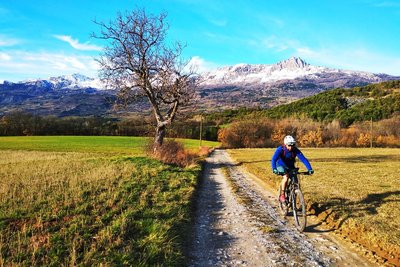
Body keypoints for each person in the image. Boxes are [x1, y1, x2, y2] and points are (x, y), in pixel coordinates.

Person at [271, 135, 314, 203]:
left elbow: (303, 159)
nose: (291, 147)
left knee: (296, 183)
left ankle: (293, 199)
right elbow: (273, 159)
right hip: (280, 166)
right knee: (286, 177)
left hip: (291, 167)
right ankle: (282, 195)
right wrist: (274, 169)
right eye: (289, 145)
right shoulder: (280, 149)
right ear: (285, 145)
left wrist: (310, 169)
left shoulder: (295, 150)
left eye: (293, 145)